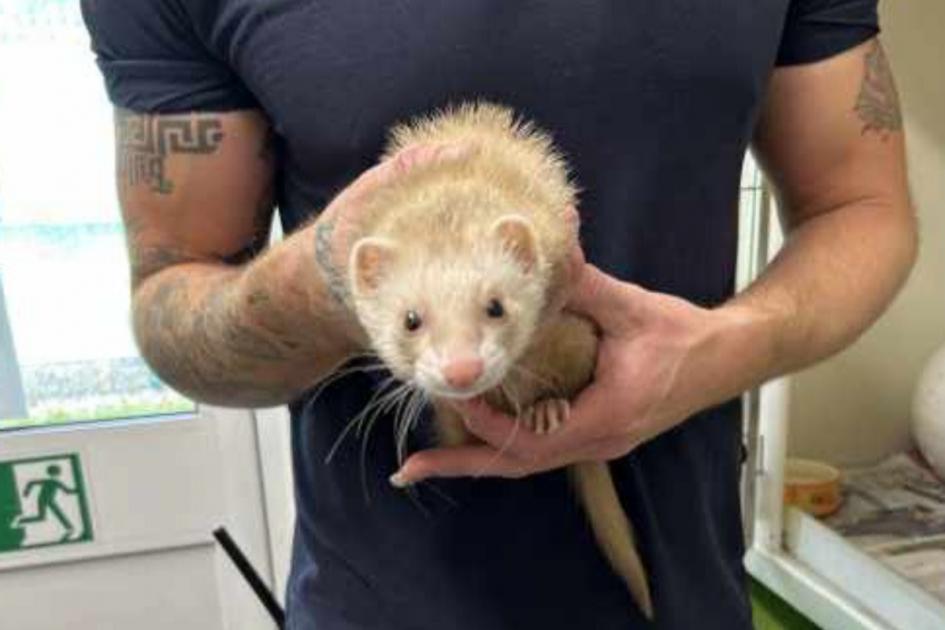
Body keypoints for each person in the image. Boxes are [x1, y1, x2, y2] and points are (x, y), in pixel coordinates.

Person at [79, 2, 916, 628]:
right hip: (377, 599)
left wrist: (719, 353)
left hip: (685, 584)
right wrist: (319, 283)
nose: (460, 366)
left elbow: (862, 207)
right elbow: (170, 296)